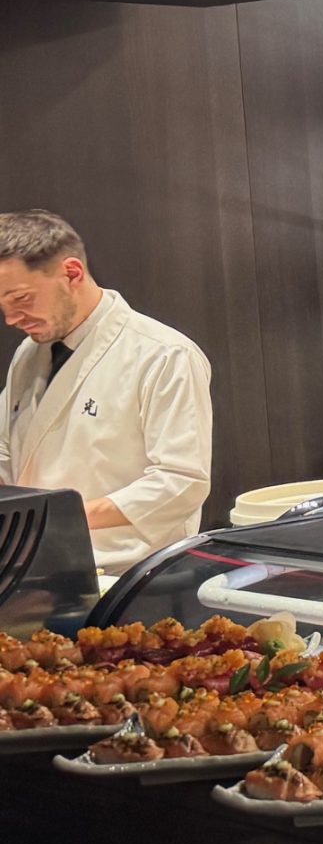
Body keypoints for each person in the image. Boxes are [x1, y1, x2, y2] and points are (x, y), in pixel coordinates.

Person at [0, 210, 213, 578]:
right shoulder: (28, 354)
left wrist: (59, 517)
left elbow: (181, 483)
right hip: (37, 566)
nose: (11, 319)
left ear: (72, 273)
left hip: (130, 575)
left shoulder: (164, 354)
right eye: (2, 307)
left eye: (21, 299)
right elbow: (6, 450)